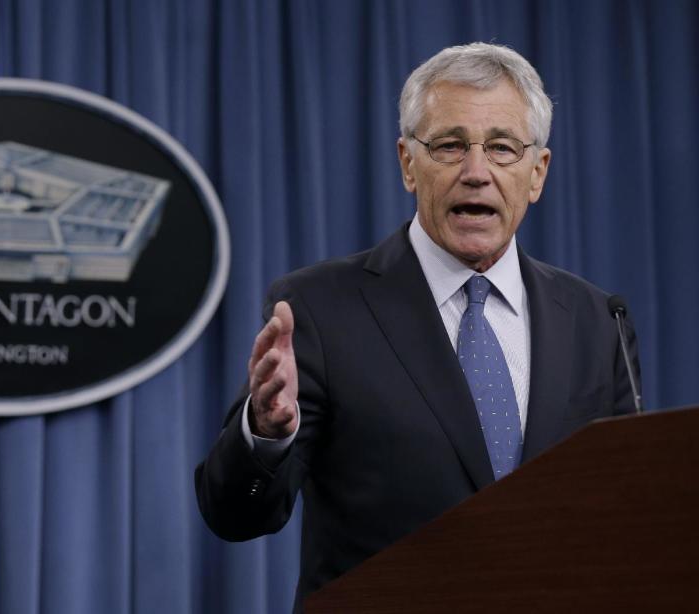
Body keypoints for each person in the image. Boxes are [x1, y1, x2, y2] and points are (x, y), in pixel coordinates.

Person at [194, 42, 640, 611]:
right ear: (408, 163)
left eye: (501, 148)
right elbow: (235, 515)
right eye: (450, 146)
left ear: (537, 172)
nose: (475, 172)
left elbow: (627, 515)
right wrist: (266, 433)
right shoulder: (320, 308)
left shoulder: (596, 319)